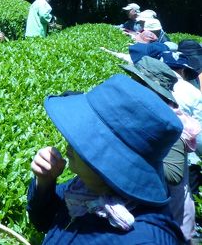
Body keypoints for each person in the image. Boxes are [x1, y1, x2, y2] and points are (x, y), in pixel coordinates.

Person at [28, 74, 185, 244]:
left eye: (84, 138)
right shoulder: (85, 188)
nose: (69, 141)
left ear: (113, 162)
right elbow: (45, 222)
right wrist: (44, 183)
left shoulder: (144, 239)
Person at [121, 57, 200, 242]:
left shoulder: (167, 122)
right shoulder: (148, 112)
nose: (132, 84)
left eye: (138, 81)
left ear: (152, 89)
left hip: (172, 216)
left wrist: (127, 155)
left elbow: (173, 174)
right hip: (157, 210)